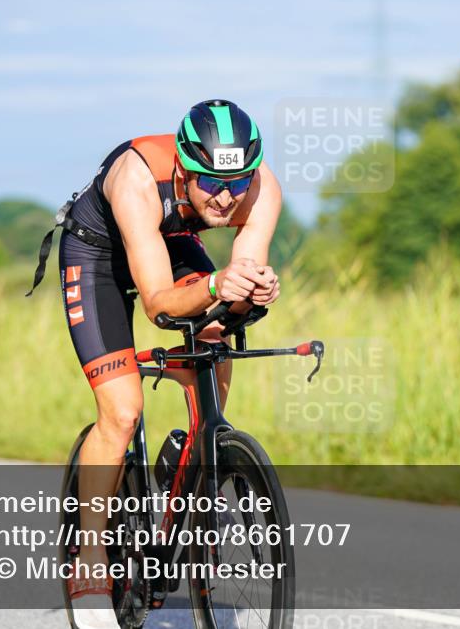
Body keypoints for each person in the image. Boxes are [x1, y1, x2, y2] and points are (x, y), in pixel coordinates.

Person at [27, 99, 282, 629]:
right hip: (98, 255)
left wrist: (251, 291)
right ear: (184, 170)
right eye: (210, 182)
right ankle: (90, 562)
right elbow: (160, 305)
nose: (226, 197)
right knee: (122, 412)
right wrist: (218, 283)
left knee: (214, 334)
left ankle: (197, 457)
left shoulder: (261, 189)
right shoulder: (136, 180)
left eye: (237, 182)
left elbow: (236, 286)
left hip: (173, 241)